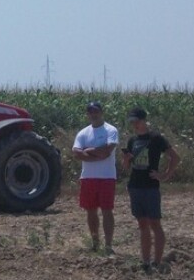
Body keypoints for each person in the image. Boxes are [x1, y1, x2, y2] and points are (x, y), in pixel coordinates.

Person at [122, 108, 180, 273]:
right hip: (135, 186)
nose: (134, 124)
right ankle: (146, 261)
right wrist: (126, 160)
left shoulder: (156, 138)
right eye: (132, 122)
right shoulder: (132, 140)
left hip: (150, 187)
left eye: (136, 121)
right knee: (142, 224)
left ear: (144, 120)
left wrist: (164, 175)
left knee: (155, 223)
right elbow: (126, 167)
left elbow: (175, 157)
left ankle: (157, 261)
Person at [72, 101, 119, 254]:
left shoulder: (111, 130)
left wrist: (88, 150)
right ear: (88, 114)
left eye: (96, 111)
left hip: (107, 177)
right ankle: (95, 243)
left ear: (101, 112)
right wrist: (96, 154)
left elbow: (107, 151)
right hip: (88, 177)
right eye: (91, 112)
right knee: (90, 211)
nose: (93, 114)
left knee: (107, 210)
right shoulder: (83, 133)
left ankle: (108, 245)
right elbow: (77, 153)